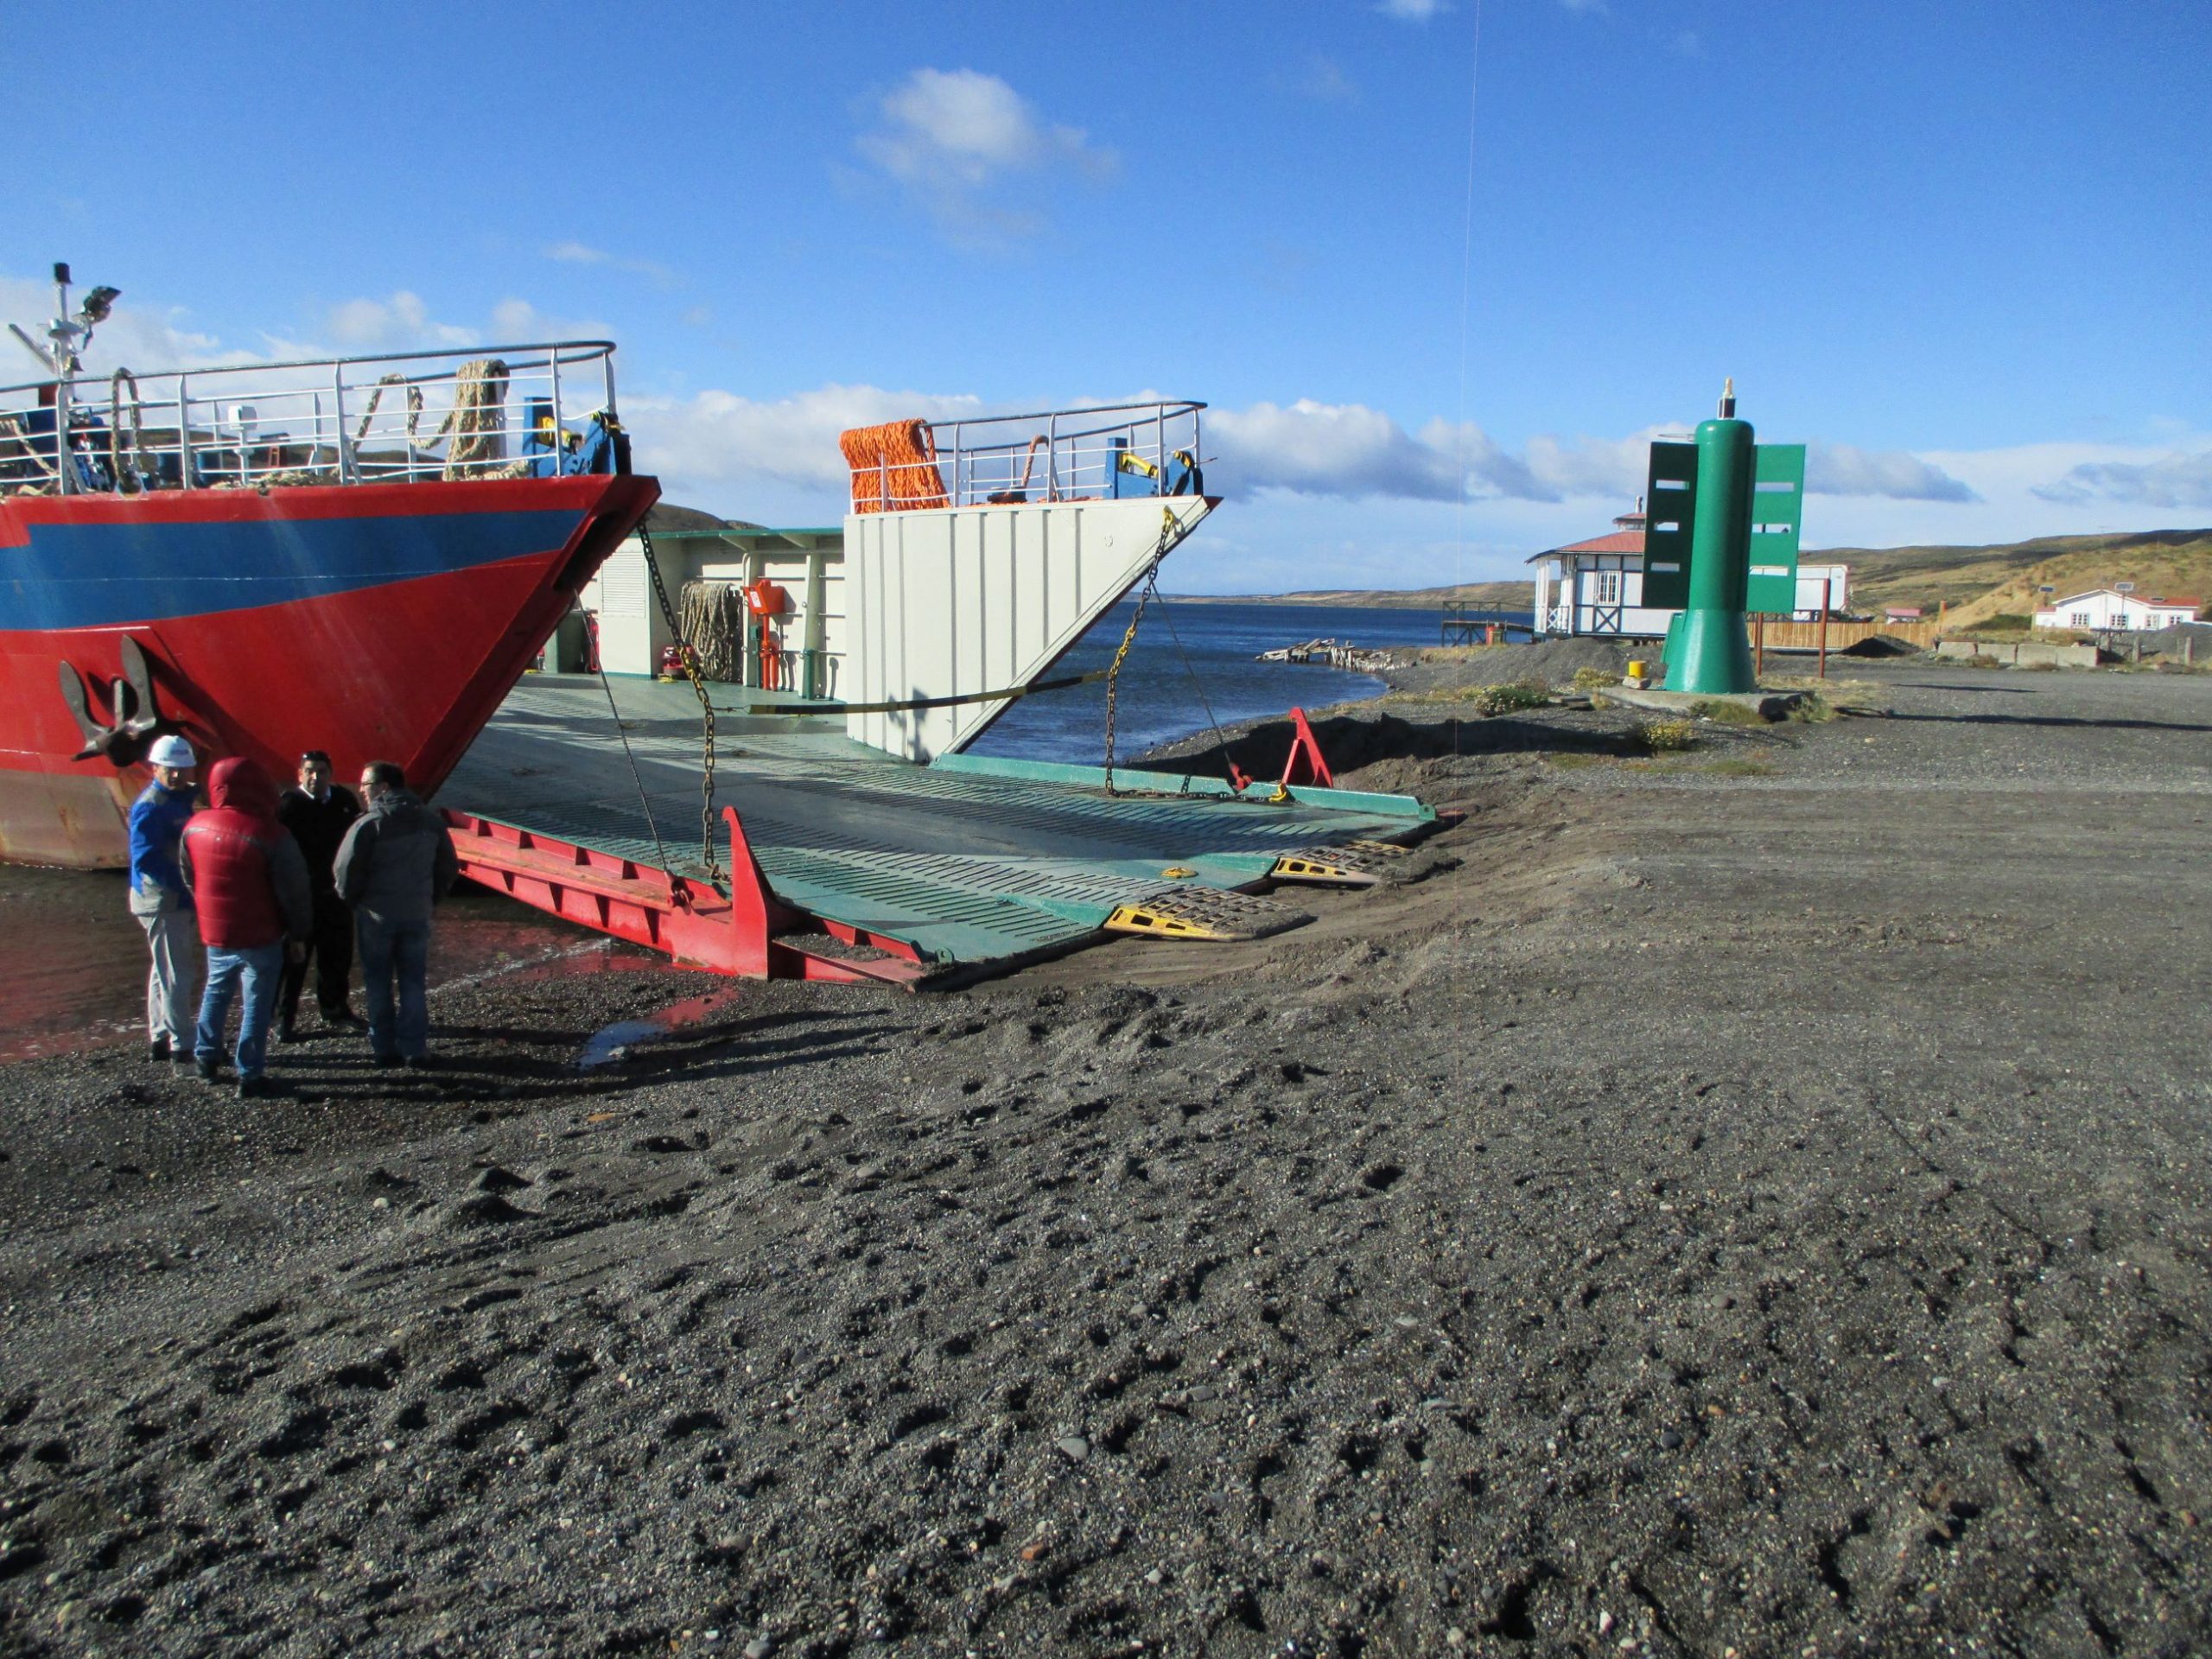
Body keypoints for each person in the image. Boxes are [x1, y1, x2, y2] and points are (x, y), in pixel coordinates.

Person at [181, 757, 312, 1099]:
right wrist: (298, 933)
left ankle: (206, 1058)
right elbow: (293, 892)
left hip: (217, 931)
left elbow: (190, 876)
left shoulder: (195, 825)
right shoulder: (271, 833)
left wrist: (208, 909)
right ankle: (249, 1073)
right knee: (256, 1002)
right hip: (260, 931)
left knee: (216, 991)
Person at [334, 760, 458, 1069]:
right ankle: (415, 1048)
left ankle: (384, 1048)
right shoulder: (430, 821)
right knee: (412, 982)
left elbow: (344, 871)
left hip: (377, 915)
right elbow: (448, 867)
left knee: (378, 981)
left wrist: (354, 900)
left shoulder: (369, 824)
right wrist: (430, 899)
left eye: (366, 785)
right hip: (416, 914)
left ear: (383, 787)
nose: (362, 791)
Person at [275, 749, 362, 1040]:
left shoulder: (344, 802)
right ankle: (283, 1018)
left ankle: (335, 1009)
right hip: (301, 896)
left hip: (336, 893)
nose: (316, 777)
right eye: (310, 771)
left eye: (321, 771)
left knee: (337, 955)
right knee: (293, 959)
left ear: (330, 774)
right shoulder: (287, 806)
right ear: (300, 774)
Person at [128, 734, 200, 1063]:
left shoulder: (179, 799)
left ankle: (160, 1036)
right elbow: (146, 860)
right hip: (163, 899)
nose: (176, 775)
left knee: (163, 970)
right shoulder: (150, 807)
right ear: (155, 768)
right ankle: (182, 1044)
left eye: (181, 769)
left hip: (171, 898)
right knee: (177, 973)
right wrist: (187, 884)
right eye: (169, 769)